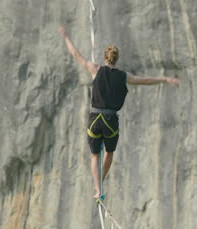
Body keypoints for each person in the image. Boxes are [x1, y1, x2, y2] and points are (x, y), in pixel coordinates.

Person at [58, 25, 179, 199]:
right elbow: (145, 81)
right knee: (109, 153)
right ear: (117, 59)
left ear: (104, 57)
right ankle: (101, 182)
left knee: (94, 156)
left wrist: (66, 37)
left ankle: (98, 188)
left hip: (95, 117)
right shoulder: (124, 76)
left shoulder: (95, 69)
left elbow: (76, 55)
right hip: (110, 119)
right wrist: (165, 79)